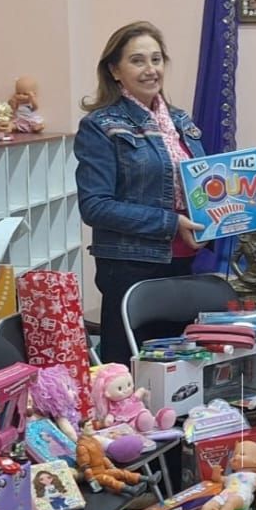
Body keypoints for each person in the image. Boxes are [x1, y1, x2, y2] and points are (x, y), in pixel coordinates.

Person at [74, 21, 206, 366]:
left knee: (179, 370)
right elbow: (95, 206)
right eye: (137, 60)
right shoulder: (100, 125)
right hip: (131, 266)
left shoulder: (180, 121)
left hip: (182, 263)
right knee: (131, 371)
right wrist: (171, 222)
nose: (151, 69)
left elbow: (201, 187)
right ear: (115, 70)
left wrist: (216, 219)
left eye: (156, 59)